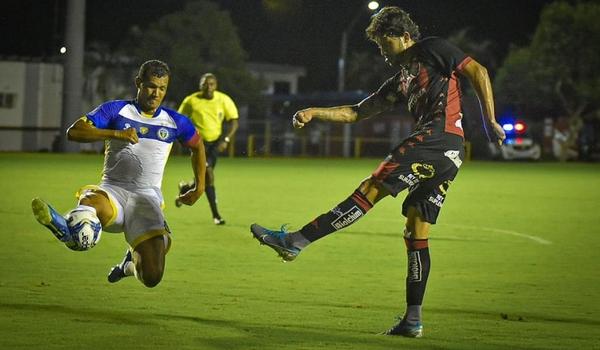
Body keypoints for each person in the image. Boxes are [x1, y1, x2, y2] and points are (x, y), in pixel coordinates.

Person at [250, 6, 506, 337]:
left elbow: (479, 72)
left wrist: (489, 120)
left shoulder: (430, 48)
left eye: (386, 44)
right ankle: (413, 320)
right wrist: (314, 112)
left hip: (436, 140)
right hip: (451, 155)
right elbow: (357, 112)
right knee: (416, 231)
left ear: (405, 36)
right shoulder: (401, 79)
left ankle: (296, 241)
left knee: (371, 188)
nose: (383, 53)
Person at [31, 59, 206, 288]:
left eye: (162, 88)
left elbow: (197, 146)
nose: (156, 93)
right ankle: (67, 229)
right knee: (90, 208)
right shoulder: (116, 109)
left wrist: (199, 187)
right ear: (138, 83)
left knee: (152, 276)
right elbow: (74, 132)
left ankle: (128, 265)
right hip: (112, 192)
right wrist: (116, 134)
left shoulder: (175, 122)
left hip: (146, 199)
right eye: (151, 86)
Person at [176, 73, 239, 225]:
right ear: (200, 85)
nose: (208, 87)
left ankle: (185, 189)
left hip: (216, 143)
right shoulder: (191, 100)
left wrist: (226, 139)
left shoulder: (224, 99)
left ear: (215, 85)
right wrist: (184, 137)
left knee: (204, 176)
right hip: (198, 144)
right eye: (205, 84)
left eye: (211, 84)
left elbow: (234, 122)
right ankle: (216, 215)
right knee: (208, 175)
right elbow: (178, 120)